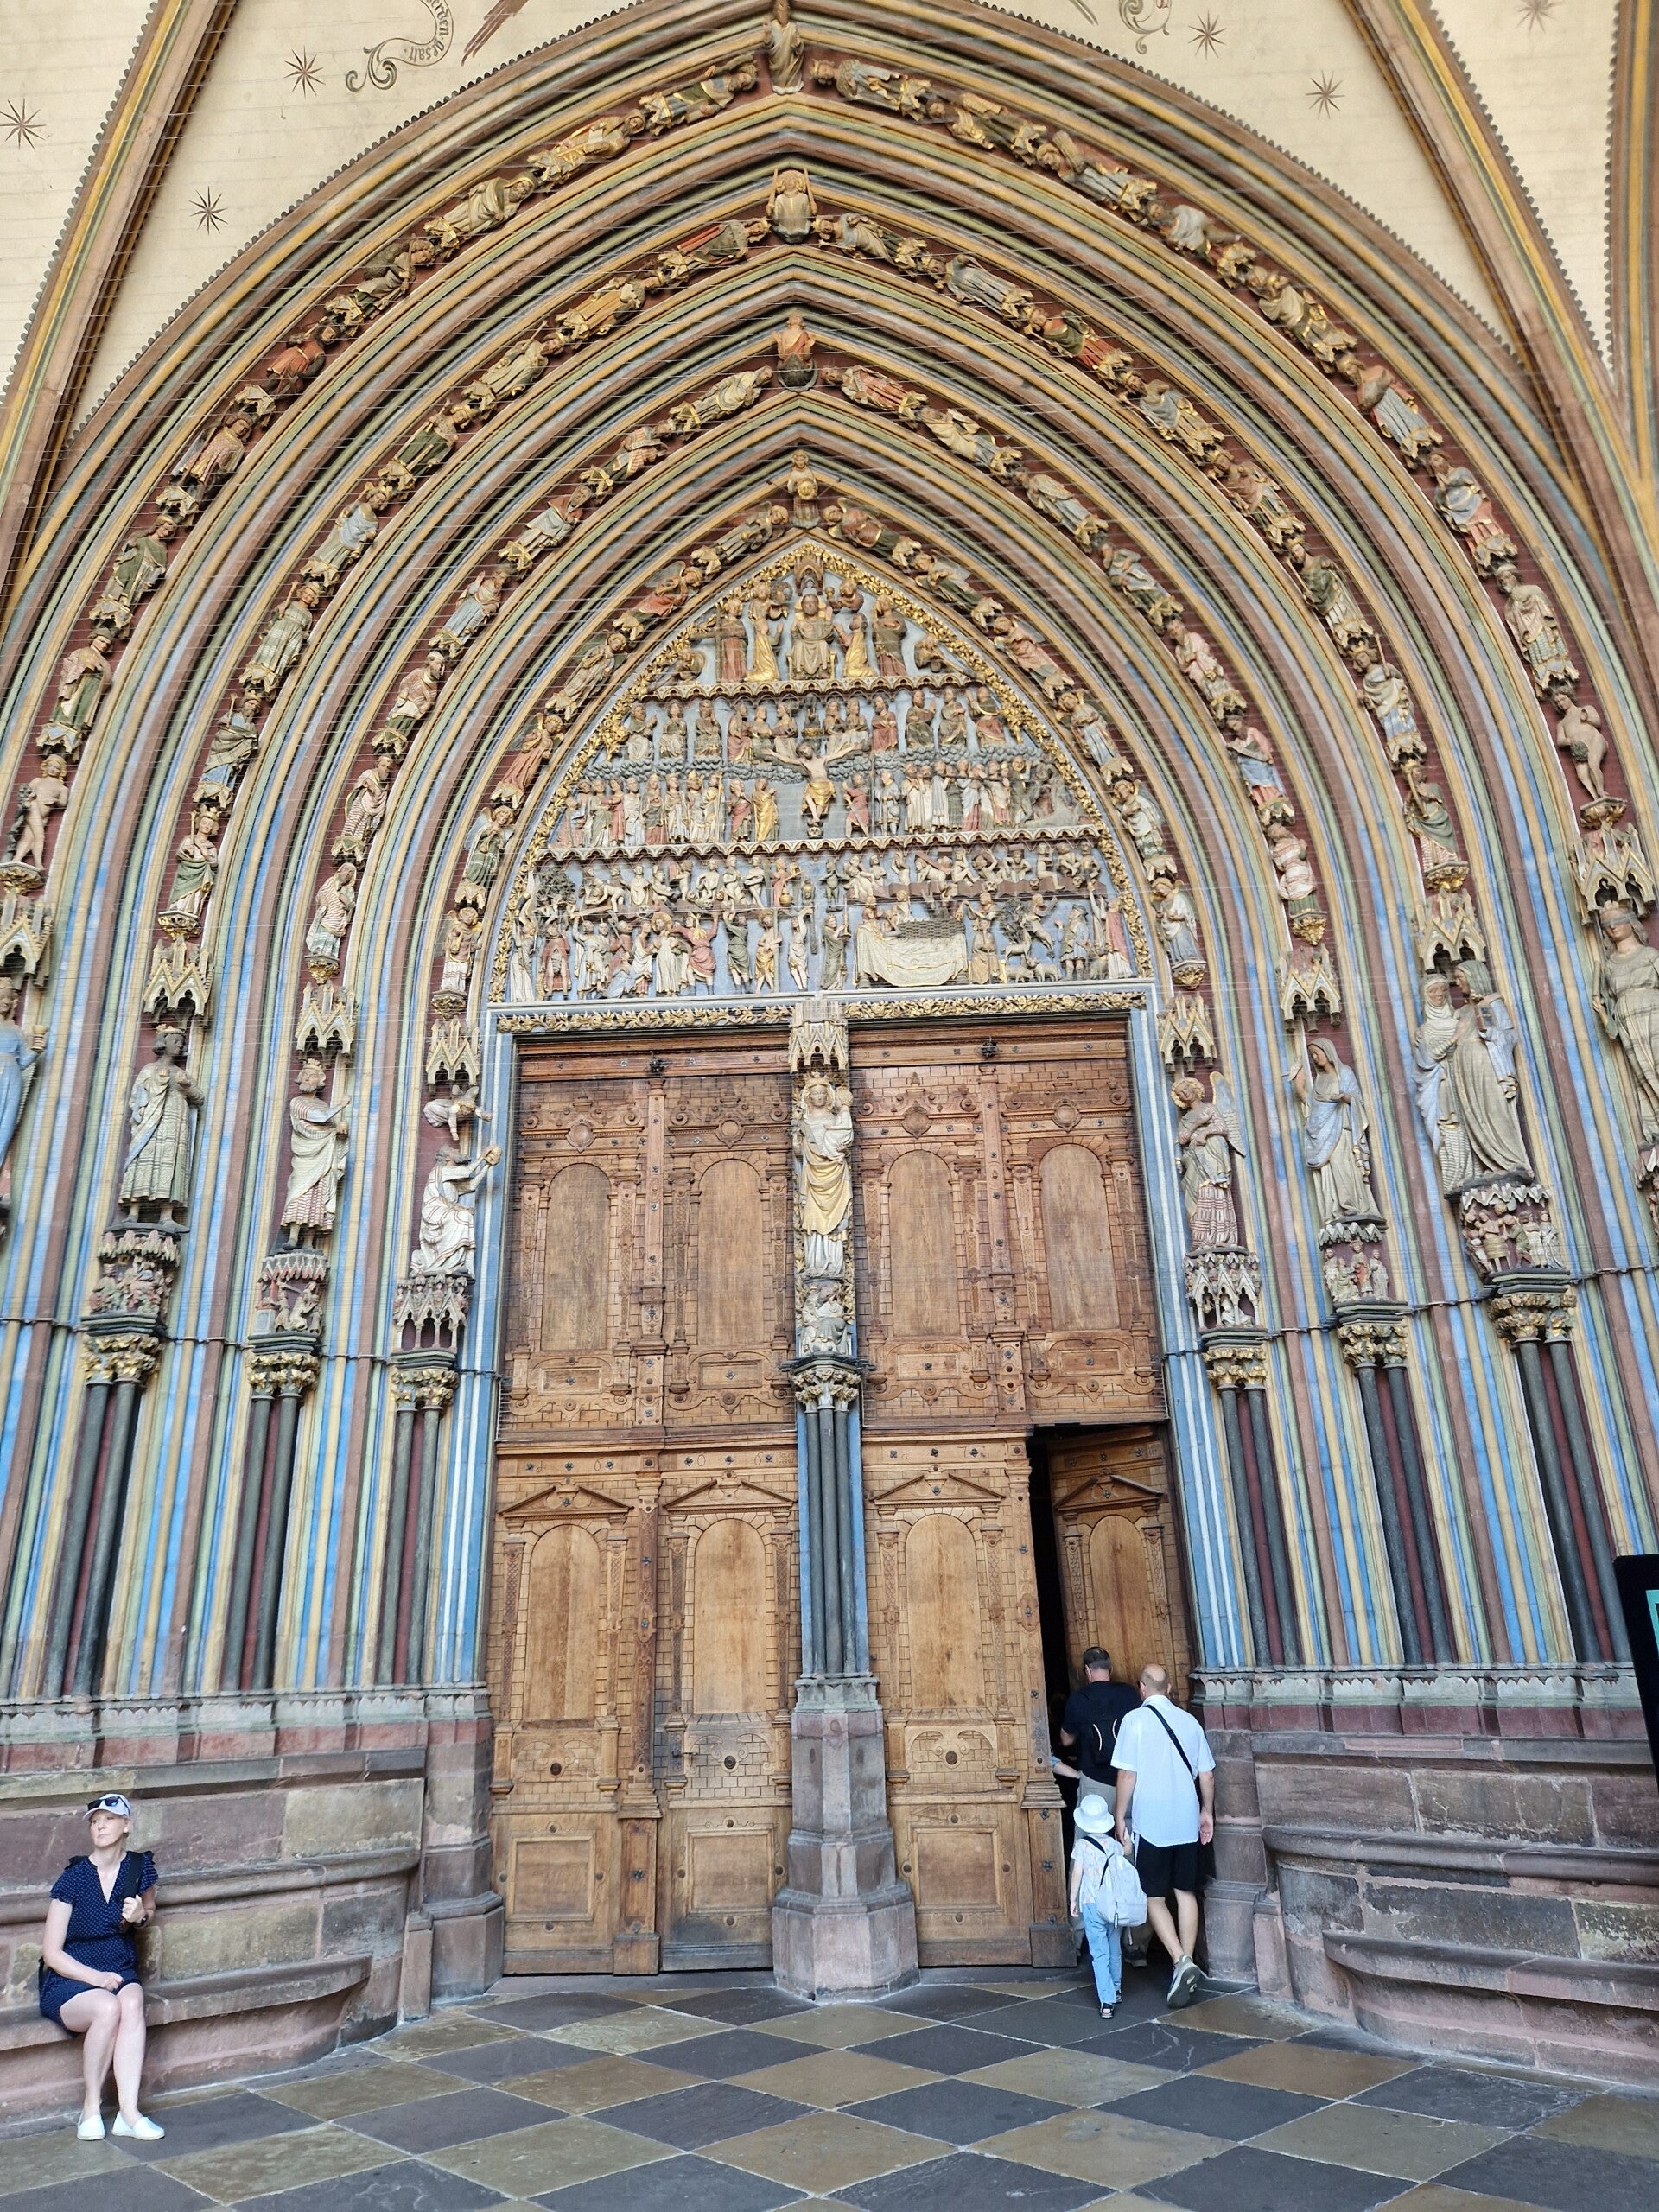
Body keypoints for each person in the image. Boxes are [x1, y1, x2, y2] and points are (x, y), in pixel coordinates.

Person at [39, 1793, 163, 2139]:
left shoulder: (138, 1868)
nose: (101, 1826)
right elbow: (52, 1953)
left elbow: (149, 1908)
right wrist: (95, 1978)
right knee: (108, 2008)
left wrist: (140, 1917)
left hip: (119, 1966)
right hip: (70, 1976)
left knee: (132, 2002)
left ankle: (129, 2113)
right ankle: (91, 2108)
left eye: (109, 1819)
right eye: (95, 1821)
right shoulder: (74, 1878)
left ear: (126, 1825)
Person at [1113, 1663, 1216, 2009]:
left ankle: (1180, 1960)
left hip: (1152, 1822)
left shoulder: (1134, 1721)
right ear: (1169, 1687)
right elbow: (1207, 1774)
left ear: (1142, 1688)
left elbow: (1127, 1774)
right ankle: (1186, 1963)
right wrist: (1206, 1811)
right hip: (1186, 1819)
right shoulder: (1189, 1722)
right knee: (1185, 1892)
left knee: (1152, 1895)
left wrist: (1119, 1815)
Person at [1053, 1647, 1148, 1970]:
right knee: (1129, 1854)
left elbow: (1066, 1741)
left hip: (1095, 1783)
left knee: (1085, 1854)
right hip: (1129, 1783)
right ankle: (1135, 1941)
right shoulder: (1129, 1695)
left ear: (1086, 1670)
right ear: (1110, 1667)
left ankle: (1078, 1936)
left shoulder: (1079, 1700)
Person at [1068, 1793, 1140, 2019]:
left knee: (1099, 1953)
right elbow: (1128, 1851)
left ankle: (1106, 2001)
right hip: (1113, 1905)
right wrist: (1126, 1838)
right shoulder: (1112, 1845)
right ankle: (1116, 1989)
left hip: (1091, 1904)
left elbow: (1077, 1874)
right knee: (1114, 1947)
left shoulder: (1082, 1845)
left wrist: (1072, 1899)